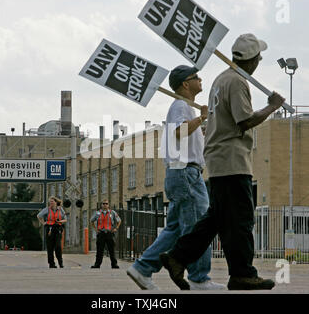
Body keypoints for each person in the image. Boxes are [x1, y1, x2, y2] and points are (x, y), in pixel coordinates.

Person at [159, 33, 286, 290]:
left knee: (216, 218)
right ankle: (242, 273)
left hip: (218, 160)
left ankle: (177, 257)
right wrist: (272, 107)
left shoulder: (220, 80)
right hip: (232, 159)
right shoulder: (237, 82)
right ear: (253, 60)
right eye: (259, 56)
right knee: (240, 219)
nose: (261, 59)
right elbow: (245, 120)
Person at [127, 65, 225, 290]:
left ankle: (142, 268)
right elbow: (179, 132)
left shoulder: (184, 107)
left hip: (181, 172)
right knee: (198, 226)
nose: (201, 79)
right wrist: (201, 117)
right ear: (185, 84)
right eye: (196, 77)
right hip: (186, 172)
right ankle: (199, 277)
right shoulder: (180, 106)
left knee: (175, 228)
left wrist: (202, 119)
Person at [90, 199, 121, 269]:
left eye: (106, 204)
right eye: (103, 204)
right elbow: (91, 221)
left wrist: (116, 228)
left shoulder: (112, 212)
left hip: (109, 233)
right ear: (101, 205)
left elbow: (119, 220)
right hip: (101, 233)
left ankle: (114, 264)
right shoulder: (97, 213)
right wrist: (95, 229)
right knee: (99, 250)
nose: (105, 205)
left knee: (111, 250)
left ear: (108, 205)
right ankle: (97, 264)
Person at [37, 196, 67, 268]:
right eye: (50, 202)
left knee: (58, 246)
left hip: (58, 228)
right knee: (50, 247)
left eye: (52, 201)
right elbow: (38, 216)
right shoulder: (47, 210)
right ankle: (51, 264)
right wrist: (43, 223)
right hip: (49, 229)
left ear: (56, 202)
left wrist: (60, 221)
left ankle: (60, 262)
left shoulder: (61, 209)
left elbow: (65, 219)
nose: (51, 203)